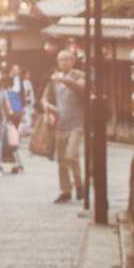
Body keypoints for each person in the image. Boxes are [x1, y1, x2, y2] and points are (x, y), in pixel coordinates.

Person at [50, 52, 88, 206]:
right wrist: (46, 105)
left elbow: (80, 89)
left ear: (72, 62)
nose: (63, 63)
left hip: (77, 123)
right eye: (60, 60)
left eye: (66, 59)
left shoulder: (80, 75)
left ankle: (79, 183)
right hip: (61, 124)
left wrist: (64, 80)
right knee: (61, 160)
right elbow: (47, 96)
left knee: (71, 156)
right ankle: (66, 190)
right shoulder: (54, 78)